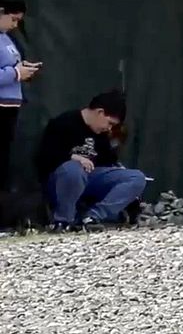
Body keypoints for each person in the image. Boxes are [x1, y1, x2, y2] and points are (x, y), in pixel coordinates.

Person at [35, 90, 145, 230]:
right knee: (73, 170)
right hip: (62, 180)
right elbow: (45, 158)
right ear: (100, 112)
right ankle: (64, 221)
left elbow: (107, 160)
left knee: (136, 177)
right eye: (109, 123)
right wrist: (74, 158)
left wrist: (117, 169)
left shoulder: (101, 134)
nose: (109, 128)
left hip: (91, 178)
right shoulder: (63, 123)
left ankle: (93, 217)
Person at [0, 0, 37, 194]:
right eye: (13, 19)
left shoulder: (6, 38)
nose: (15, 25)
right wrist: (15, 73)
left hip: (10, 108)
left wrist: (23, 69)